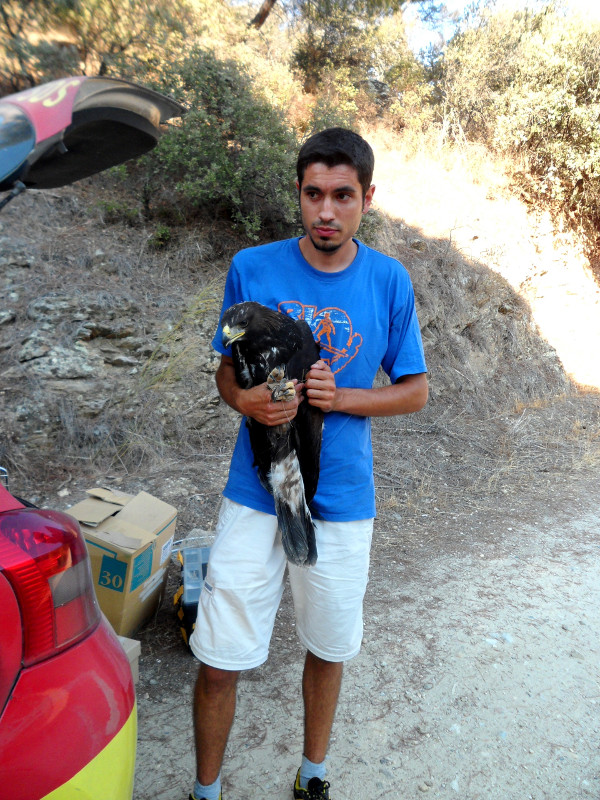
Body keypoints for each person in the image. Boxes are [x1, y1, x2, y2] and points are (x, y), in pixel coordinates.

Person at [188, 127, 428, 800]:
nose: (327, 211)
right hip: (255, 490)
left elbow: (415, 390)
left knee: (327, 648)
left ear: (366, 198)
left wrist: (342, 395)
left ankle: (312, 776)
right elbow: (225, 375)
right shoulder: (253, 267)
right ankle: (206, 792)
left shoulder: (388, 280)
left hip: (342, 497)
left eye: (343, 196)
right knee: (218, 658)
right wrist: (248, 402)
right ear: (298, 194)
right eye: (314, 194)